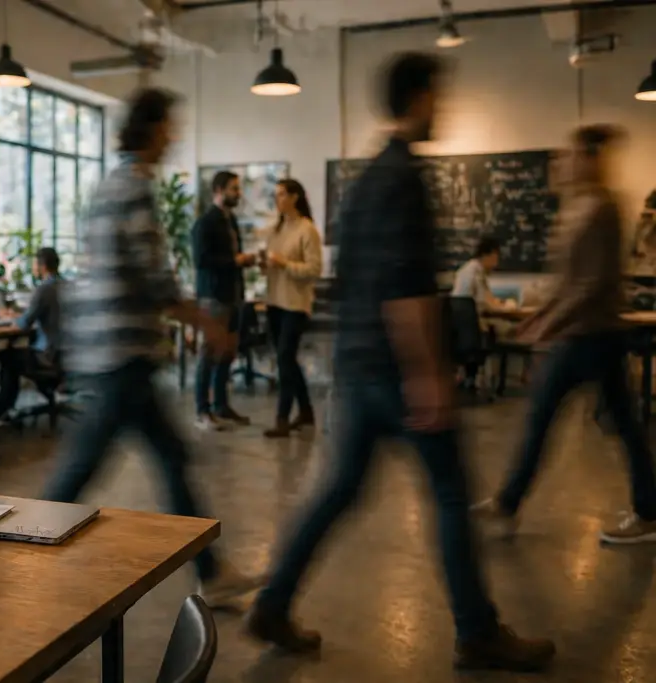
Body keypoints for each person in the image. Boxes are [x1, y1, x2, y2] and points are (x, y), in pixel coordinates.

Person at [245, 53, 555, 671]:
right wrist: (428, 373)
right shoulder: (403, 178)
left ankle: (273, 603)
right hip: (394, 370)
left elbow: (358, 279)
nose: (441, 107)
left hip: (357, 367)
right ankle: (476, 631)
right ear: (417, 97)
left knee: (336, 492)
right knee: (449, 491)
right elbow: (403, 287)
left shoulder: (363, 182)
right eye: (437, 95)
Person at [42, 87, 258, 608]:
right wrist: (207, 323)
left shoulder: (110, 184)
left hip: (112, 351)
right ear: (152, 128)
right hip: (122, 354)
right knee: (83, 469)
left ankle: (213, 570)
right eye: (169, 127)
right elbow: (154, 276)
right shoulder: (135, 186)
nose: (173, 137)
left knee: (167, 456)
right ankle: (10, 566)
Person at [474, 125, 656, 544]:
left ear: (592, 159)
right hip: (581, 335)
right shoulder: (578, 208)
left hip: (593, 336)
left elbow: (591, 283)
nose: (562, 163)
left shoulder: (602, 208)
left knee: (567, 419)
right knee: (618, 424)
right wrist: (541, 317)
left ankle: (509, 503)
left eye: (571, 155)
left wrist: (548, 322)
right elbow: (567, 281)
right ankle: (646, 508)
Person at [192, 170, 255, 431]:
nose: (238, 194)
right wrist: (235, 261)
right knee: (209, 353)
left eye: (238, 189)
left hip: (234, 294)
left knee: (228, 352)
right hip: (213, 297)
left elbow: (233, 257)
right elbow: (201, 261)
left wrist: (245, 262)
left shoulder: (232, 221)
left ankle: (221, 404)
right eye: (234, 189)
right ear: (218, 191)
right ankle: (201, 410)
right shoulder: (205, 223)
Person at [262, 179, 323, 439]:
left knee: (286, 357)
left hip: (295, 304)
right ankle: (307, 411)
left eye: (281, 194)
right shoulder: (275, 230)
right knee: (286, 359)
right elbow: (272, 263)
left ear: (295, 197)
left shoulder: (307, 229)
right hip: (274, 301)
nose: (277, 199)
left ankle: (282, 418)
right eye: (275, 195)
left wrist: (285, 263)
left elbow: (313, 269)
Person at [0, 247, 63, 415]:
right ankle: (44, 392)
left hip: (47, 355)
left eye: (34, 264)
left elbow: (24, 324)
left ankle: (2, 408)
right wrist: (18, 315)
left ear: (42, 267)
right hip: (66, 354)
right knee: (17, 352)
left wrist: (11, 318)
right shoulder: (68, 286)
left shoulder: (44, 289)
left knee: (6, 356)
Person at [451, 236, 511, 391]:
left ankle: (468, 375)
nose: (497, 263)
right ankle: (477, 376)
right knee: (498, 331)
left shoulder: (466, 269)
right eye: (496, 257)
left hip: (459, 332)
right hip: (473, 331)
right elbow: (485, 302)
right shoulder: (475, 272)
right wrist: (505, 305)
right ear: (487, 255)